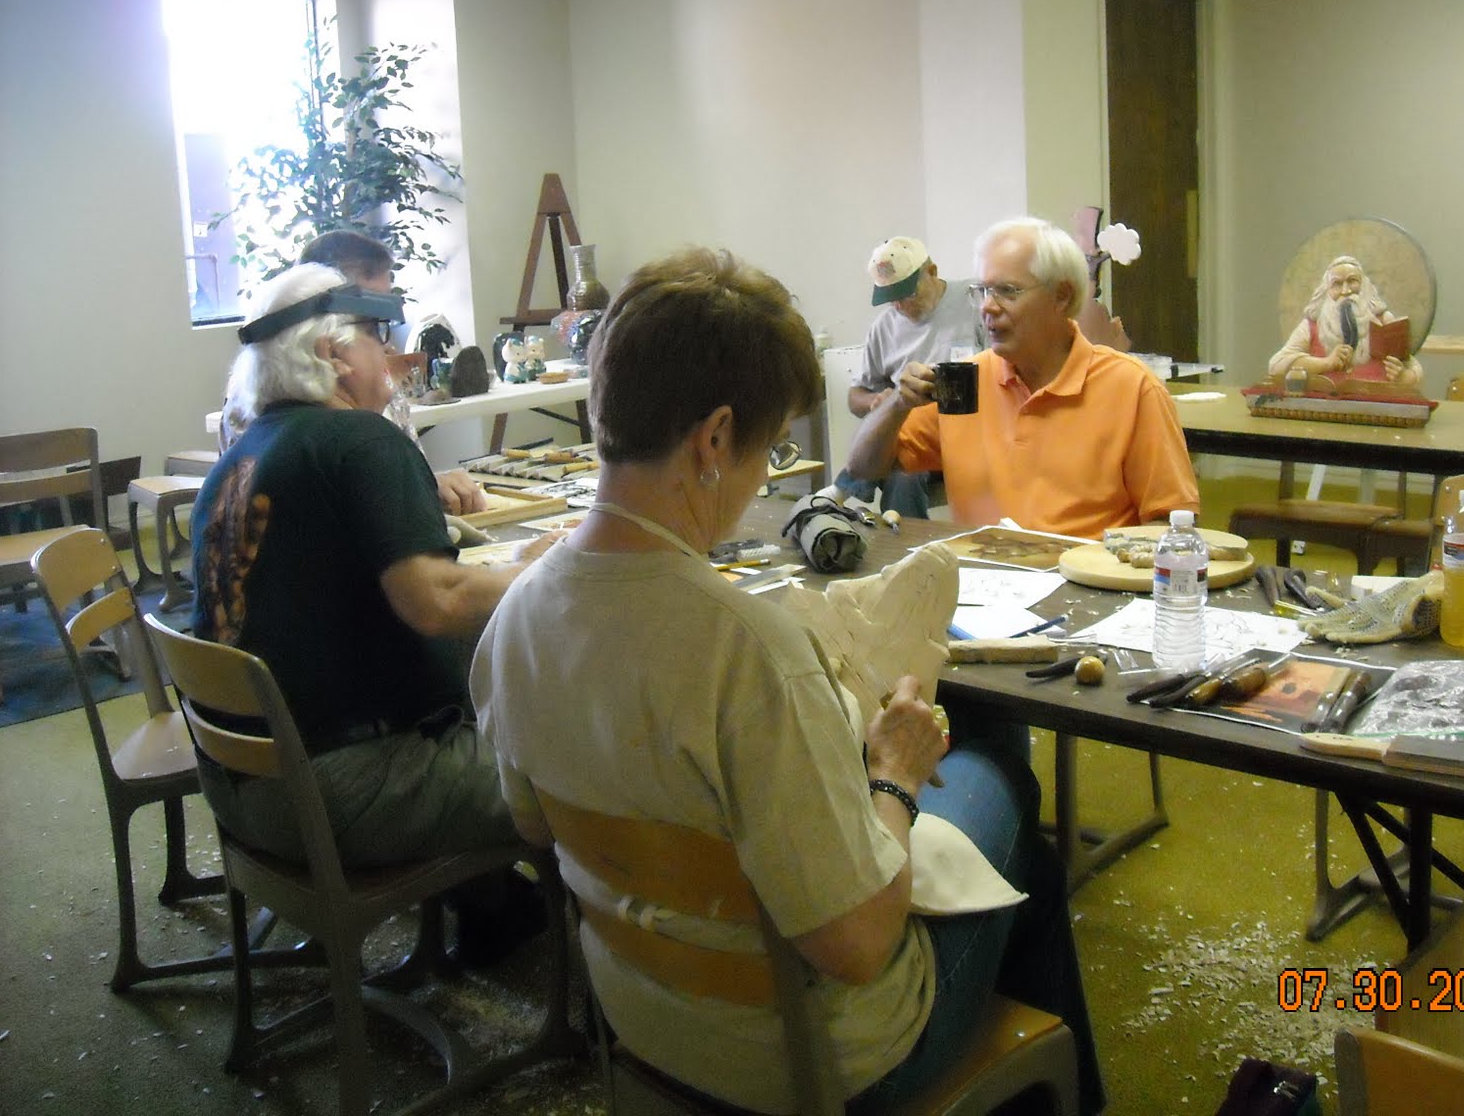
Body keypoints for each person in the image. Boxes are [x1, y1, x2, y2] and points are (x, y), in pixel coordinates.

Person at [472, 247, 1104, 1115]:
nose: (763, 476)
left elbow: (534, 821)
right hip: (815, 1056)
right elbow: (858, 945)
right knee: (1000, 780)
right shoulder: (748, 649)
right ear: (716, 439)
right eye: (767, 452)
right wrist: (893, 777)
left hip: (640, 1012)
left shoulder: (515, 616)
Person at [189, 263, 555, 960]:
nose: (389, 351)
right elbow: (437, 601)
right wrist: (542, 573)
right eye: (374, 334)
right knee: (580, 763)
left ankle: (495, 909)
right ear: (331, 354)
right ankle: (620, 1000)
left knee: (473, 707)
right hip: (335, 793)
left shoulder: (242, 457)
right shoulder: (362, 440)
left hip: (244, 786)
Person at [846, 216, 1199, 537]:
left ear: (1062, 296)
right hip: (985, 585)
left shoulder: (1131, 388)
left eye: (1007, 291)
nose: (987, 306)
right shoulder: (967, 381)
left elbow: (1171, 524)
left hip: (1089, 589)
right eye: (982, 291)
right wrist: (897, 402)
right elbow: (863, 468)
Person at [220, 230, 488, 517]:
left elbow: (400, 478)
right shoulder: (265, 398)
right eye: (368, 323)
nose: (383, 342)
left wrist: (433, 484)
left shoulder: (376, 382)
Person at [834, 236, 985, 517]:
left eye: (908, 294)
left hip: (968, 432)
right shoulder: (884, 328)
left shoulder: (974, 301)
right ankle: (903, 554)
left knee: (899, 466)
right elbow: (855, 397)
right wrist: (876, 402)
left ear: (932, 272)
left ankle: (847, 486)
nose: (901, 306)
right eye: (892, 299)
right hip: (913, 437)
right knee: (900, 468)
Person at [1267, 254, 1423, 385]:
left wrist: (1403, 376)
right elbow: (1276, 366)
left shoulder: (1383, 320)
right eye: (1337, 284)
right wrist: (1327, 363)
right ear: (1327, 290)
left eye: (1352, 281)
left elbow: (1415, 370)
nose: (1346, 291)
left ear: (1364, 286)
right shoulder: (1312, 325)